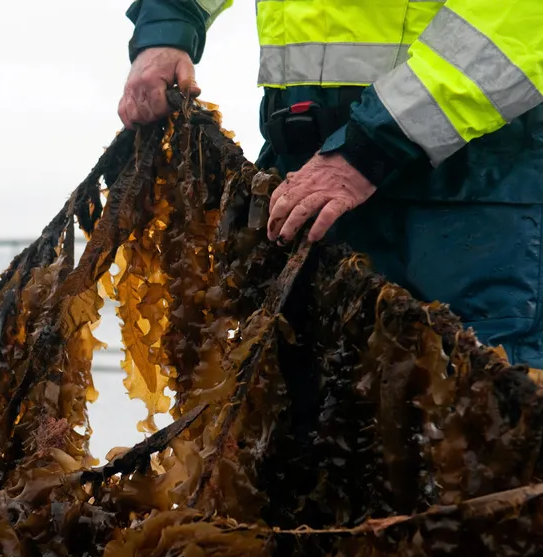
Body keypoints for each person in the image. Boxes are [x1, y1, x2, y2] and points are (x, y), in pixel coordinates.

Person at [118, 0, 543, 368]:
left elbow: (521, 20)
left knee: (475, 424)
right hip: (303, 174)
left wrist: (378, 139)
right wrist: (168, 26)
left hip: (472, 193)